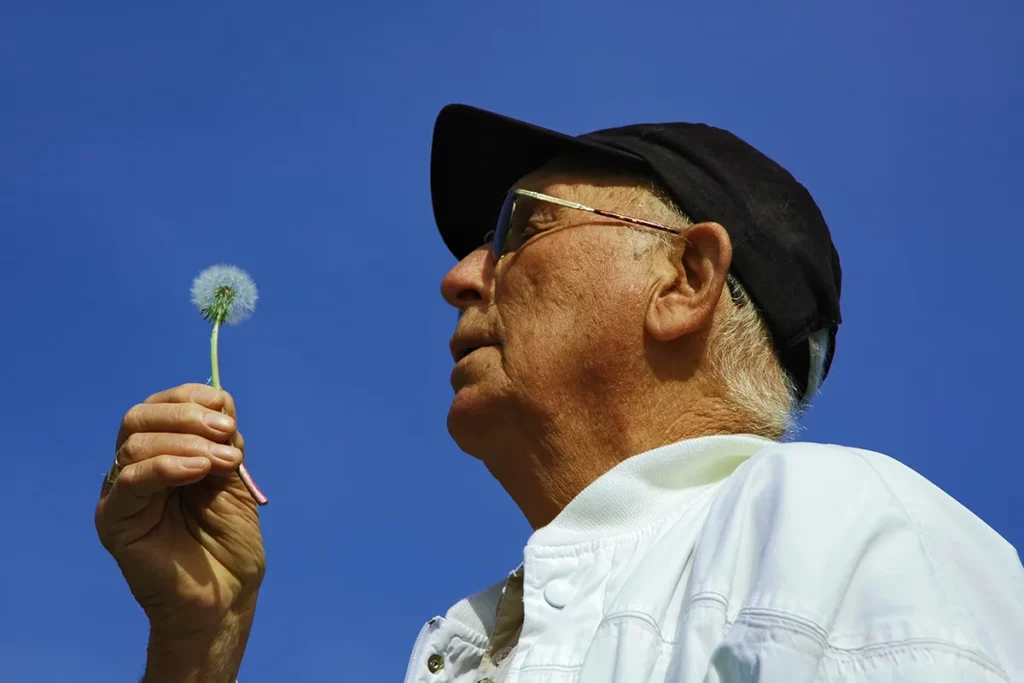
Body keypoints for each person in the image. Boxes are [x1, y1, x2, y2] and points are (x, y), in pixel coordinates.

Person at [95, 104, 1024, 683]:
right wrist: (197, 644)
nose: (460, 277)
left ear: (686, 281)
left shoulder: (841, 531)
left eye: (521, 227)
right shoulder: (467, 645)